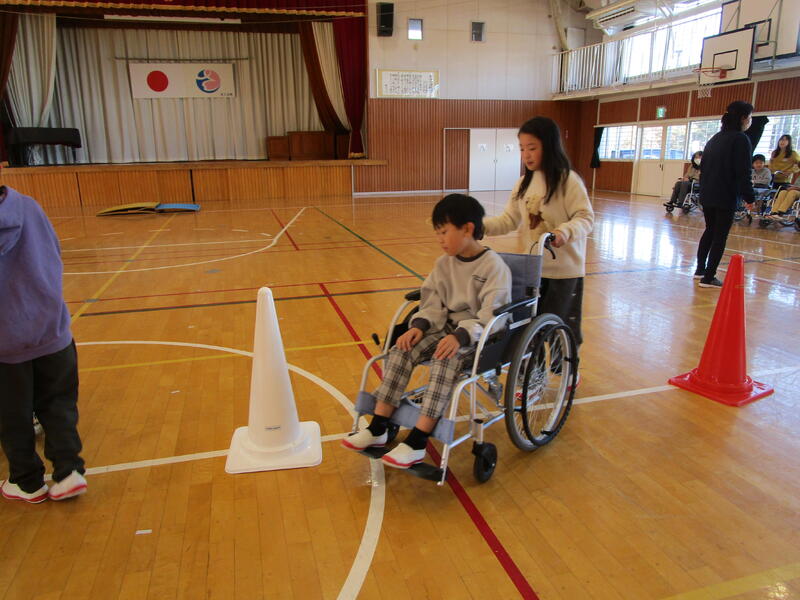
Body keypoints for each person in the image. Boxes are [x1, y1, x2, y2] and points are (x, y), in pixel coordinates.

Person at [341, 194, 512, 469]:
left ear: (467, 229)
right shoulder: (444, 264)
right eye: (437, 233)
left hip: (479, 337)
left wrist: (461, 336)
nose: (440, 239)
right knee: (401, 349)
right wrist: (419, 326)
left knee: (445, 359)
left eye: (444, 232)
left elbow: (493, 316)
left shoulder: (494, 267)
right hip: (446, 328)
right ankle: (378, 427)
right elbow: (431, 301)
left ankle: (418, 441)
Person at [0, 169, 87, 503]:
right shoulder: (27, 206)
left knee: (12, 415)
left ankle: (26, 481)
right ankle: (69, 472)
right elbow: (54, 252)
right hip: (51, 329)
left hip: (6, 342)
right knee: (59, 404)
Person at [482, 116, 594, 363]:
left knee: (559, 327)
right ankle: (533, 374)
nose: (526, 155)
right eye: (522, 148)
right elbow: (508, 220)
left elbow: (585, 218)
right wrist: (479, 227)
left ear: (549, 146)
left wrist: (565, 231)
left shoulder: (568, 181)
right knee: (527, 328)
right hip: (532, 269)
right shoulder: (523, 184)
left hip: (564, 273)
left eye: (532, 148)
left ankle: (566, 371)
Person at [695, 101, 755, 288]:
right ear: (743, 118)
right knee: (720, 236)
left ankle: (700, 270)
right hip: (725, 194)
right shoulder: (740, 139)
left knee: (710, 230)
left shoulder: (715, 138)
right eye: (750, 117)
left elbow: (703, 168)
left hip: (708, 193)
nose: (750, 121)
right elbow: (743, 171)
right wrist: (749, 197)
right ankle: (709, 277)